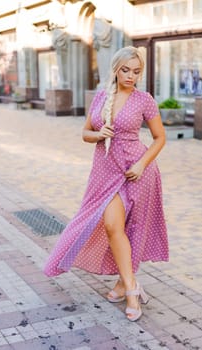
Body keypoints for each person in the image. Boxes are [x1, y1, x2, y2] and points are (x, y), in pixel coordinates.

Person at [44, 46, 169, 322]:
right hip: (105, 171)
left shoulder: (144, 99)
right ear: (115, 69)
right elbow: (85, 133)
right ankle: (130, 284)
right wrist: (99, 133)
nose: (131, 76)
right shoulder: (101, 97)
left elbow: (160, 138)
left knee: (130, 229)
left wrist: (141, 164)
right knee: (113, 226)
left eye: (136, 72)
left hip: (136, 170)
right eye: (126, 70)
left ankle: (128, 287)